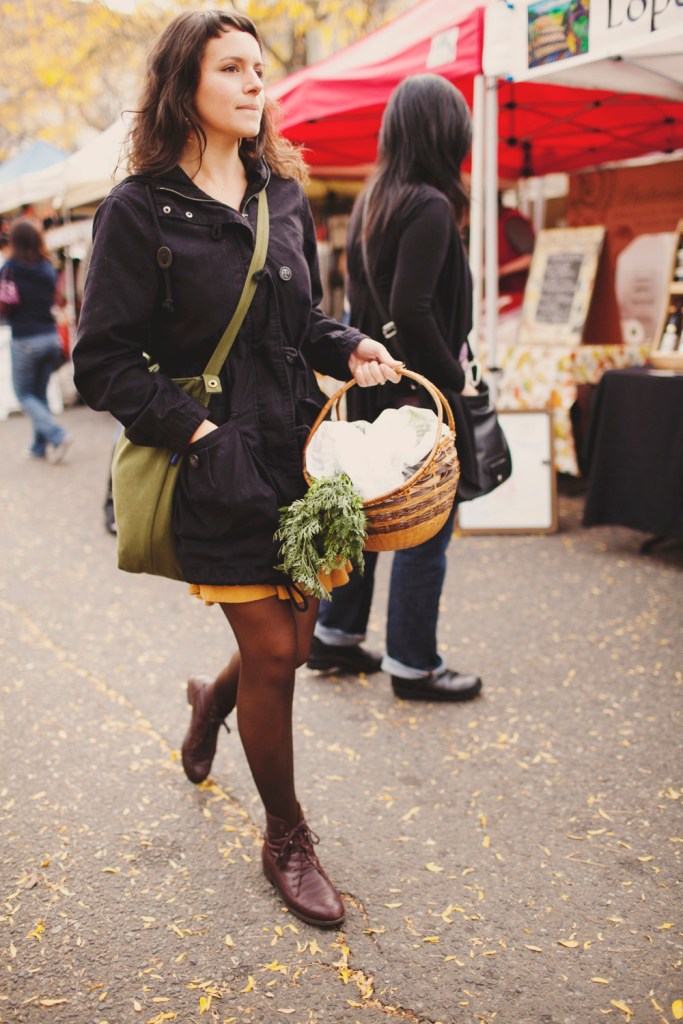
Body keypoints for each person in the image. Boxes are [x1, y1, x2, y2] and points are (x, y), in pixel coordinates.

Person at [72, 9, 400, 929]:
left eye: (261, 68)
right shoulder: (137, 210)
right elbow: (101, 362)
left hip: (294, 448)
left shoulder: (281, 193)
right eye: (234, 69)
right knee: (275, 650)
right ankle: (286, 837)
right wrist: (199, 436)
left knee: (292, 641)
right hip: (211, 456)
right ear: (186, 87)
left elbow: (300, 322)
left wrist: (349, 344)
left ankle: (209, 703)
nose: (258, 83)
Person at [307, 74, 483, 704]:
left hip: (373, 387)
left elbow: (368, 302)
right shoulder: (430, 205)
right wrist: (452, 379)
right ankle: (413, 663)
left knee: (370, 514)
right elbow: (412, 308)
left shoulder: (374, 201)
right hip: (416, 394)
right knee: (423, 526)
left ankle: (336, 633)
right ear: (445, 133)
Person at [2, 218, 72, 462]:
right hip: (50, 338)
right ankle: (39, 446)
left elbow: (5, 304)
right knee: (39, 395)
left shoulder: (10, 267)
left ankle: (57, 434)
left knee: (23, 394)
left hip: (25, 339)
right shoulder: (47, 267)